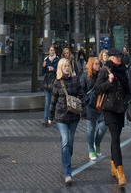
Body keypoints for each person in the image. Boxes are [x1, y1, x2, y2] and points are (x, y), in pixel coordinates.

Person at [95, 50, 130, 185]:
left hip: (120, 108)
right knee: (115, 137)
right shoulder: (105, 70)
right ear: (111, 58)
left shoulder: (123, 71)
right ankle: (120, 171)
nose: (119, 58)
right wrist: (109, 82)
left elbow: (128, 90)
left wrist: (126, 101)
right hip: (109, 108)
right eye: (116, 56)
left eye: (120, 56)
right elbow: (97, 88)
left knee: (116, 138)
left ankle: (113, 165)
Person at [48, 57, 84, 186]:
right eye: (64, 66)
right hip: (61, 116)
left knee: (70, 142)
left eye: (68, 66)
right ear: (60, 68)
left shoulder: (75, 80)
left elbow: (82, 94)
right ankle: (67, 172)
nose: (67, 68)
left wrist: (85, 102)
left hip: (73, 116)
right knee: (65, 141)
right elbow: (53, 100)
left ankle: (67, 157)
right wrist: (50, 116)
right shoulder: (57, 82)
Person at [81, 57, 107, 160]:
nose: (98, 66)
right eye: (96, 64)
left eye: (99, 64)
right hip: (90, 106)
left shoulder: (102, 75)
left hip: (101, 104)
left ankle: (97, 143)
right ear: (91, 64)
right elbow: (81, 90)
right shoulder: (85, 76)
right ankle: (91, 149)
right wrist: (87, 99)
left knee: (103, 127)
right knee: (90, 129)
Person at [42, 45, 59, 125]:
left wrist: (54, 69)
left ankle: (53, 118)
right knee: (47, 102)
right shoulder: (46, 59)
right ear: (48, 51)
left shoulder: (57, 59)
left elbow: (59, 71)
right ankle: (45, 120)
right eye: (50, 50)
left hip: (54, 83)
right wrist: (43, 67)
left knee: (54, 101)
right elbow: (42, 73)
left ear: (55, 51)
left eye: (53, 50)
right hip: (47, 83)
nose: (51, 52)